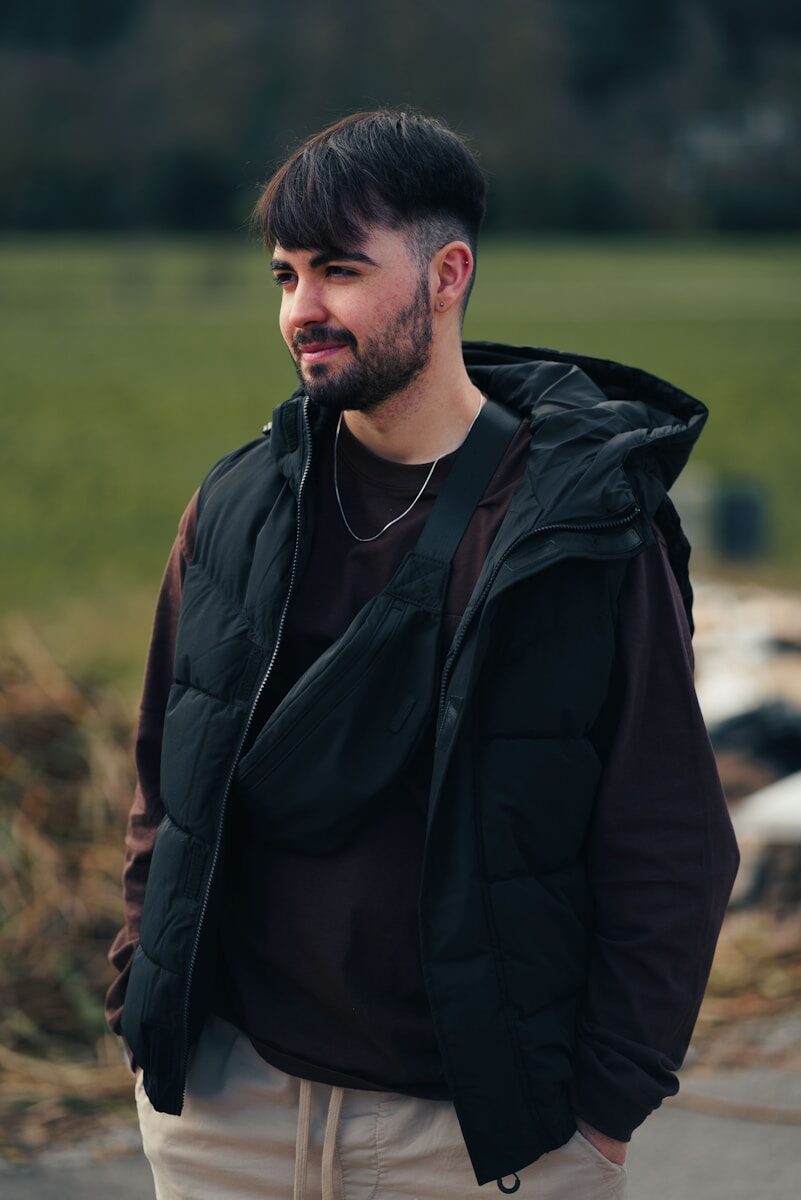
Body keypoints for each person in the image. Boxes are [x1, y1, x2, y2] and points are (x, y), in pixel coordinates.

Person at [105, 108, 741, 1199]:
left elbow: (668, 836)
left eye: (341, 271)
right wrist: (143, 999)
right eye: (285, 275)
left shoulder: (578, 533)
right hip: (229, 1116)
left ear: (448, 274)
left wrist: (600, 1118)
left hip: (475, 1144)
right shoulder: (236, 504)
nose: (303, 310)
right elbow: (168, 776)